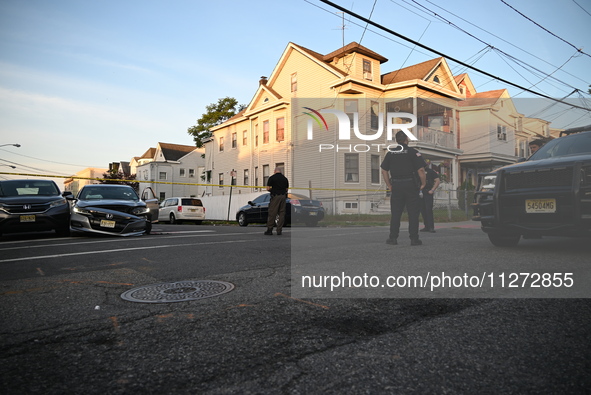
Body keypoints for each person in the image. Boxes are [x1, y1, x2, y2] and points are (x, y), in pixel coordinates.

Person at [381, 131, 426, 246]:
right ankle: (414, 239)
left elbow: (384, 170)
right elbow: (421, 170)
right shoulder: (413, 152)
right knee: (413, 213)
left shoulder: (390, 153)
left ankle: (393, 238)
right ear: (406, 139)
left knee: (396, 213)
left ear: (397, 140)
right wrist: (423, 183)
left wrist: (389, 185)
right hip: (410, 185)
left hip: (396, 185)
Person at [265, 167, 289, 235]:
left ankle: (270, 229)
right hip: (283, 196)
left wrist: (272, 190)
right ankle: (279, 230)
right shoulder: (285, 179)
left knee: (272, 212)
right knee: (281, 213)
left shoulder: (272, 178)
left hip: (275, 196)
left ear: (275, 171)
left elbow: (268, 188)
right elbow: (286, 189)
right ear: (280, 171)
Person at [419, 163, 441, 233]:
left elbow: (437, 180)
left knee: (428, 210)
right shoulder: (417, 172)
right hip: (420, 192)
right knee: (423, 210)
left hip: (428, 191)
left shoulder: (430, 172)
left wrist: (432, 190)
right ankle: (426, 226)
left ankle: (431, 227)